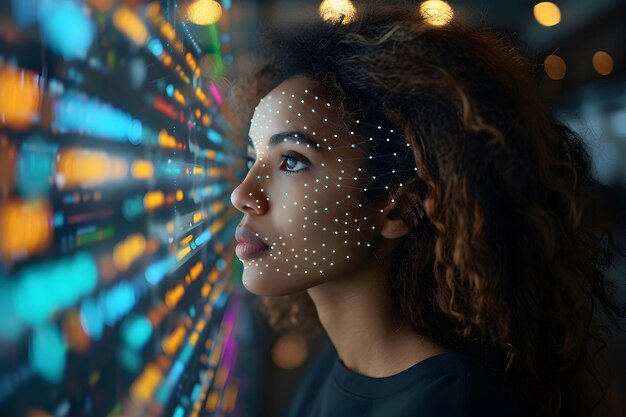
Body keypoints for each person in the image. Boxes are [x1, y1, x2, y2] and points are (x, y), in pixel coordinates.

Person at [228, 4, 625, 417]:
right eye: (253, 157)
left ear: (402, 206)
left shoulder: (452, 404)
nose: (243, 193)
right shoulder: (343, 363)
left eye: (292, 160)